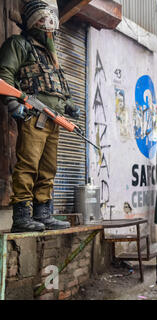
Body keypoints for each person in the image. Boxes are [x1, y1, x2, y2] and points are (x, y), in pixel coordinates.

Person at [0, 0, 80, 232]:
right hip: (34, 116)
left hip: (54, 119)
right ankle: (22, 217)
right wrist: (13, 103)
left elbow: (58, 86)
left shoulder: (49, 53)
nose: (49, 24)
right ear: (33, 21)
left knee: (48, 168)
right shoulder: (19, 44)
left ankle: (43, 213)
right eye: (43, 19)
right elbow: (5, 74)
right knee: (28, 165)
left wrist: (69, 105)